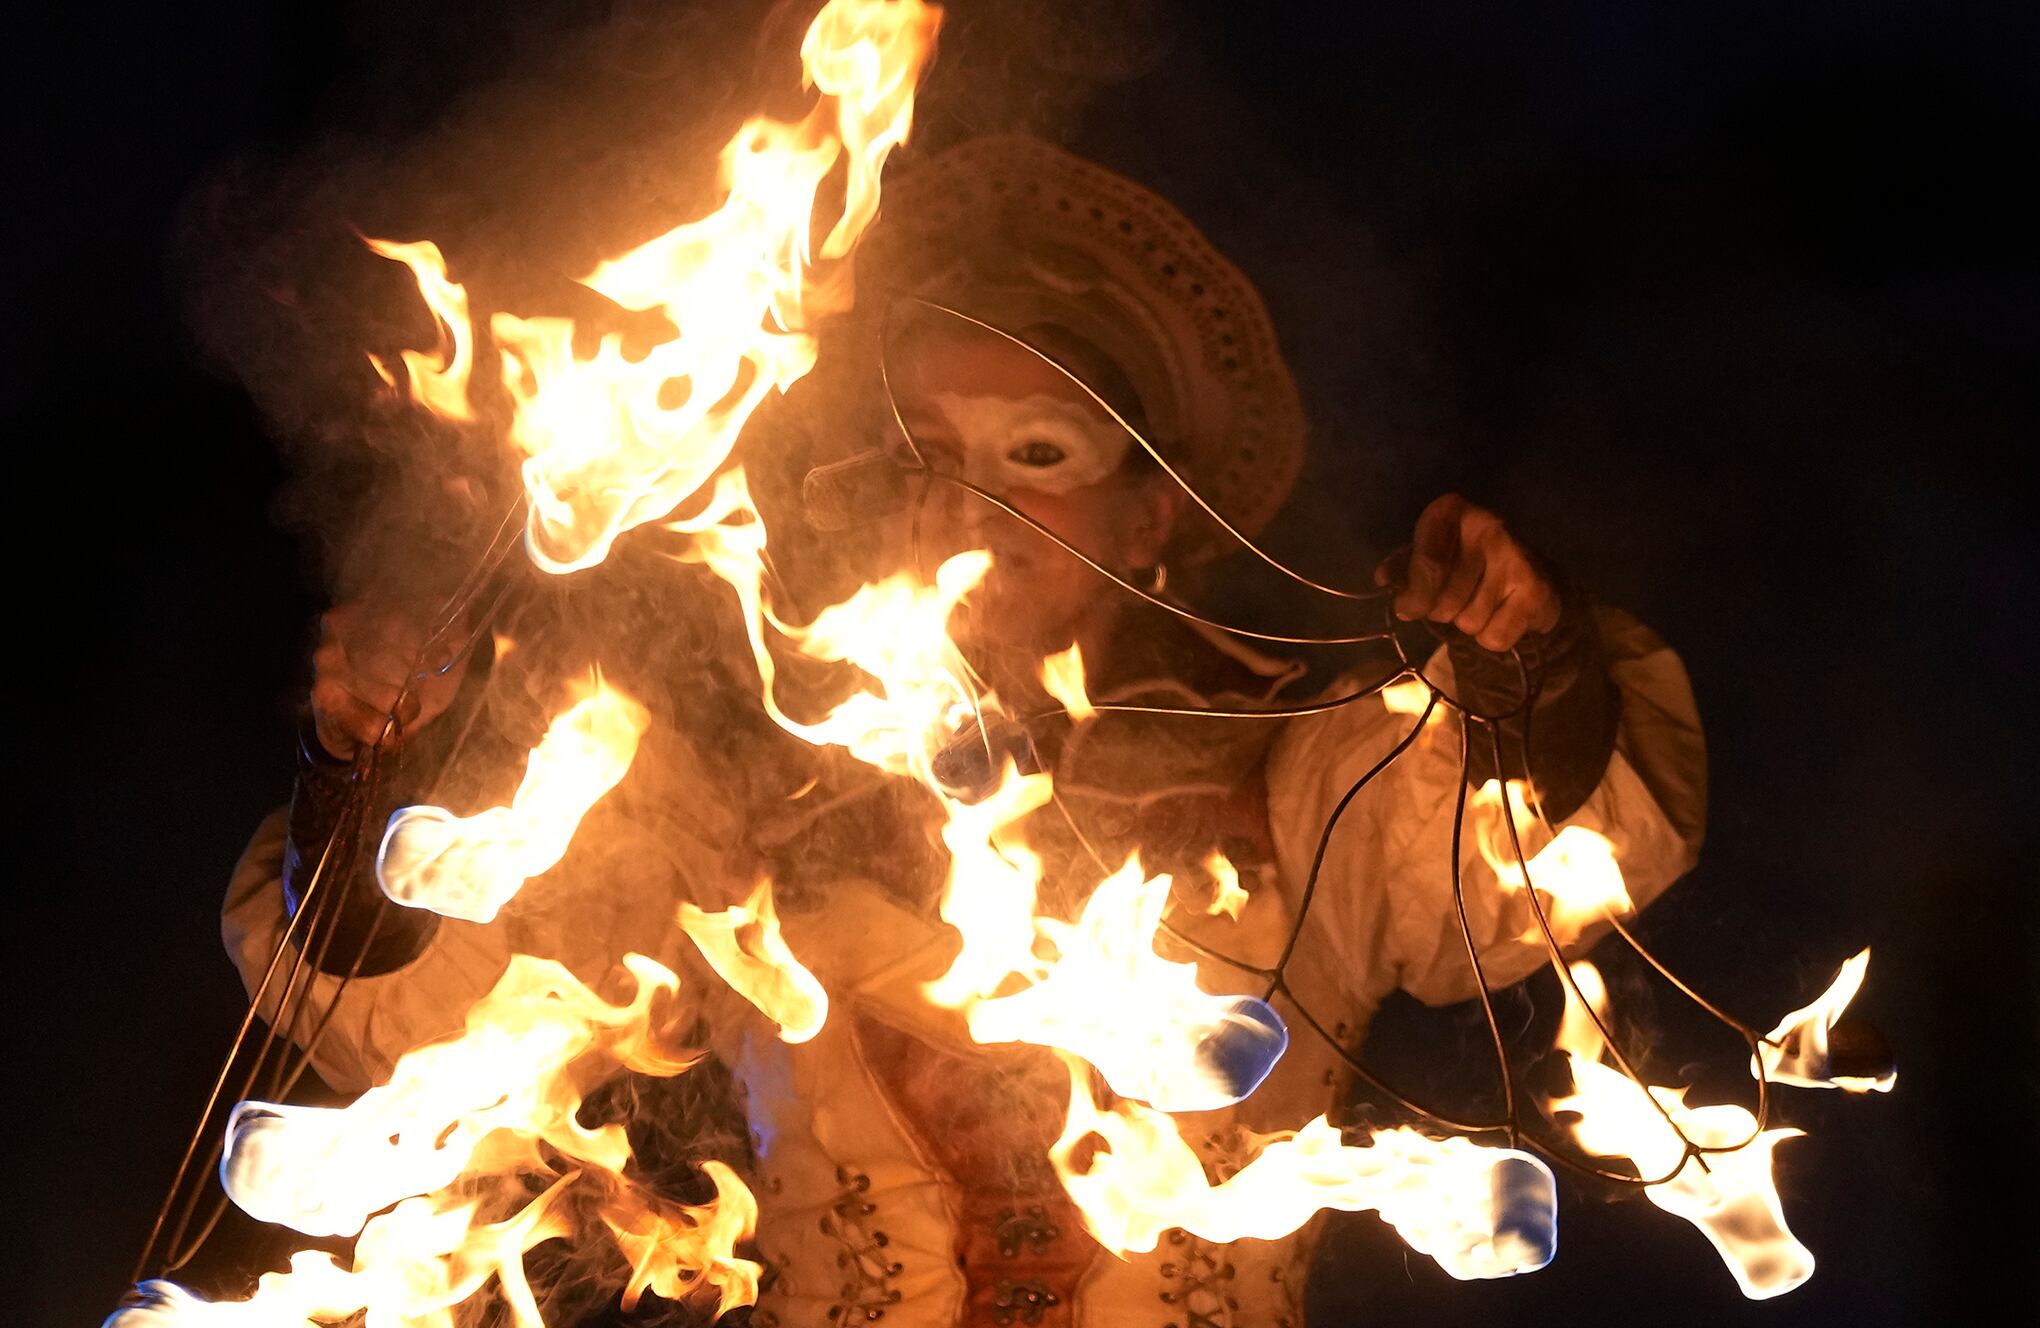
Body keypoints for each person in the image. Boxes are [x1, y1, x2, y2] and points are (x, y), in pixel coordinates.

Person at [222, 136, 1705, 1328]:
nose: (975, 502)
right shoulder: (731, 792)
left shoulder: (1311, 766)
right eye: (933, 455)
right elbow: (406, 1016)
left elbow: (1544, 866)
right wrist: (370, 764)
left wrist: (1531, 655)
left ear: (1152, 513)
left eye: (1041, 457)